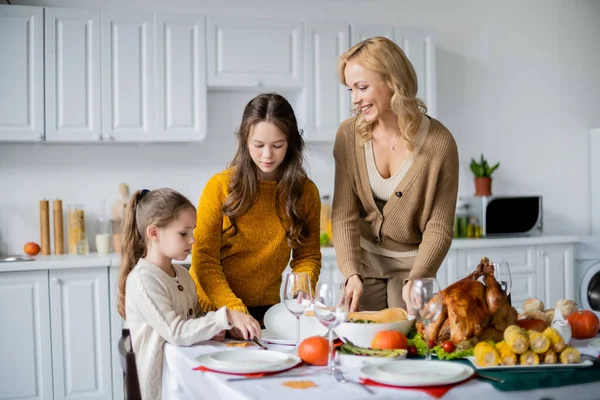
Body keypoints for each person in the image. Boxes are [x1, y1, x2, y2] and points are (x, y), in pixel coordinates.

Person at [332, 36, 459, 313]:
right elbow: (343, 214)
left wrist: (419, 277)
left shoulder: (440, 143)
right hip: (364, 268)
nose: (355, 99)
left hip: (414, 271)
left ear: (392, 81)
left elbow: (439, 226)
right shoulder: (347, 135)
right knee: (364, 346)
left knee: (408, 346)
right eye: (350, 90)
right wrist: (351, 272)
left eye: (362, 87)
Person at [189, 93, 322, 335]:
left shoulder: (306, 192)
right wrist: (234, 311)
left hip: (267, 312)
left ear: (291, 143)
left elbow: (308, 255)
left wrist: (301, 290)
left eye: (277, 145)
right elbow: (204, 261)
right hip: (212, 312)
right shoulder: (219, 188)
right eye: (258, 145)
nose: (267, 155)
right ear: (245, 141)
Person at [116, 188, 260, 400]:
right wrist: (226, 316)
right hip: (163, 391)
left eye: (192, 231)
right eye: (184, 233)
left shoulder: (183, 274)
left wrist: (222, 329)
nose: (192, 240)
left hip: (184, 377)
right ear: (154, 233)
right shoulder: (143, 280)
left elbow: (196, 320)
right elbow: (177, 332)